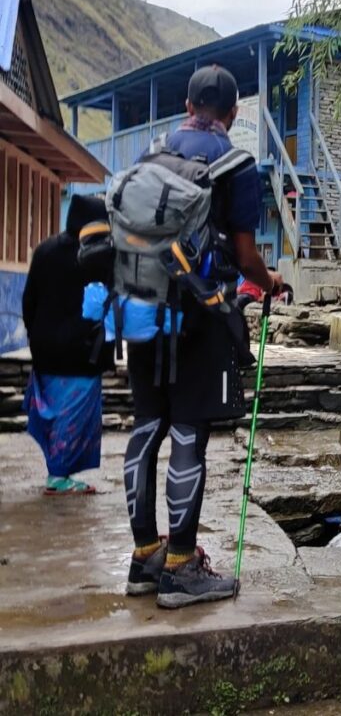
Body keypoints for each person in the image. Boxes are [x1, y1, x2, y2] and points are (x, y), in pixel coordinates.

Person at [122, 65, 283, 609]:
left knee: (147, 427)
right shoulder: (236, 164)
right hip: (198, 315)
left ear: (187, 103)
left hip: (143, 313)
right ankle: (182, 566)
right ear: (233, 113)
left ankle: (145, 555)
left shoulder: (152, 153)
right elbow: (244, 257)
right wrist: (270, 282)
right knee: (188, 434)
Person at [22, 195, 113, 495]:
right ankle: (59, 477)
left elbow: (29, 300)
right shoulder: (99, 254)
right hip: (81, 352)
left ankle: (57, 471)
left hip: (45, 349)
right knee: (71, 417)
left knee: (52, 413)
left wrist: (34, 334)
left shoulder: (45, 250)